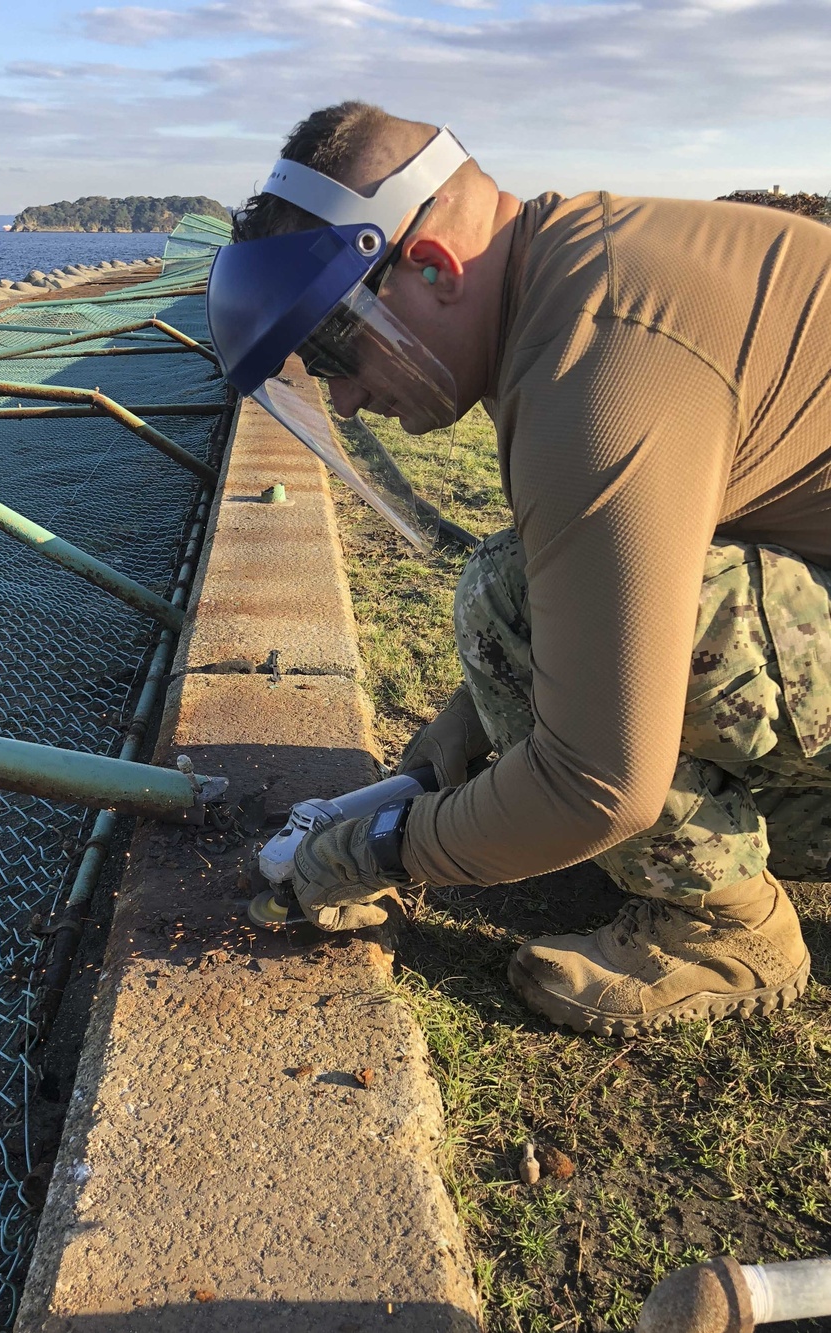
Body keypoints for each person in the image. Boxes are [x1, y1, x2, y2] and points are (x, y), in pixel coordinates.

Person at [206, 102, 831, 1037]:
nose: (344, 396)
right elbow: (600, 584)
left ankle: (724, 930)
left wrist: (375, 851)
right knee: (528, 601)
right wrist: (468, 721)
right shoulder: (568, 281)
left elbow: (600, 783)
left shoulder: (599, 367)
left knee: (505, 594)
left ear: (433, 267)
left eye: (335, 347)